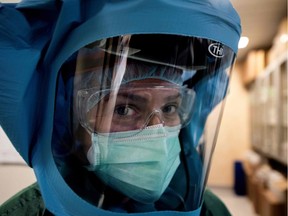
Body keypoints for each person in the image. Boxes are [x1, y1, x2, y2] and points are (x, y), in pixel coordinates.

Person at [0, 1, 241, 215]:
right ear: (66, 116)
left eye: (169, 108)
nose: (156, 132)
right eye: (124, 109)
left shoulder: (211, 210)